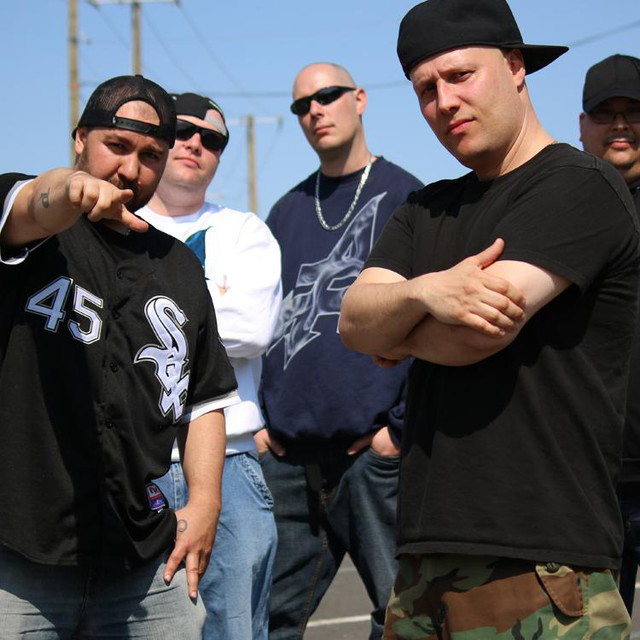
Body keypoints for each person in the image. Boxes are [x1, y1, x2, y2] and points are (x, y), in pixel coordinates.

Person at [339, 0, 640, 637]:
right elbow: (353, 323)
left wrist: (400, 330)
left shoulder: (580, 185)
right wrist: (427, 293)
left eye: (460, 76)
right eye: (426, 89)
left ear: (515, 67)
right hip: (421, 557)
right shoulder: (425, 208)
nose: (444, 102)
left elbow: (477, 332)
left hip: (542, 556)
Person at [0, 75, 239, 639]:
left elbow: (205, 400)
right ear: (80, 139)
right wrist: (68, 190)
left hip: (141, 556)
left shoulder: (179, 265)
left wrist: (205, 503)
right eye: (118, 146)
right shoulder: (32, 227)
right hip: (20, 554)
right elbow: (32, 202)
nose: (131, 170)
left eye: (151, 155)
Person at [258, 62, 422, 639]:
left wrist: (398, 431)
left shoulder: (408, 197)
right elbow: (262, 326)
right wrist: (261, 422)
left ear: (360, 98)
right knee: (268, 620)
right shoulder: (286, 211)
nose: (315, 111)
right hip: (289, 460)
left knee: (402, 617)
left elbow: (435, 319)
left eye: (327, 96)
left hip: (372, 459)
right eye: (301, 104)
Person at [138, 91, 281, 640]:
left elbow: (253, 330)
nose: (195, 143)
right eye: (181, 131)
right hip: (131, 467)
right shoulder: (112, 223)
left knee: (233, 631)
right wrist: (208, 301)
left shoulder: (245, 232)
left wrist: (144, 316)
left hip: (230, 464)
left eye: (213, 139)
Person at [580, 54, 640, 615]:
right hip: (587, 475)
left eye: (633, 111)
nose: (620, 125)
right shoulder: (562, 207)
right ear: (582, 125)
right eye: (605, 112)